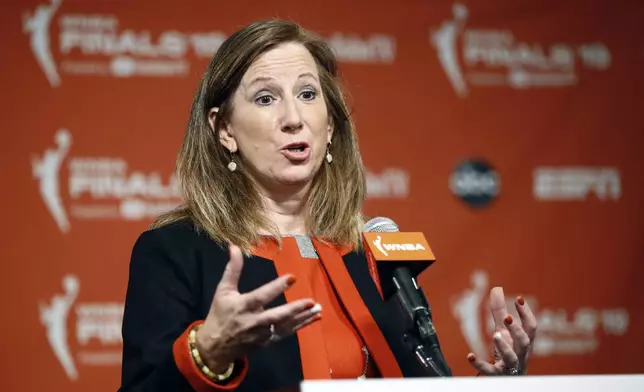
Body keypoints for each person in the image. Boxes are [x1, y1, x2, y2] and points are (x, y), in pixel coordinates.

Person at [118, 19, 538, 392]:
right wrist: (205, 354)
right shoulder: (174, 253)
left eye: (307, 93)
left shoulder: (373, 250)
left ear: (331, 124)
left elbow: (426, 382)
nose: (293, 117)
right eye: (266, 98)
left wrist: (498, 385)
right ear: (224, 129)